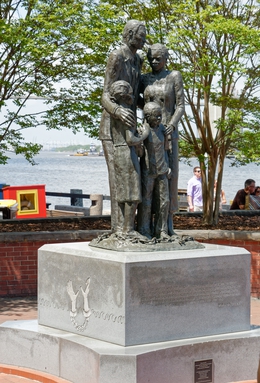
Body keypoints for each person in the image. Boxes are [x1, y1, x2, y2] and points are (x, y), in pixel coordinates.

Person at [99, 19, 146, 233]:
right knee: (117, 179)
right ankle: (119, 230)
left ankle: (128, 229)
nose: (144, 38)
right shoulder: (116, 56)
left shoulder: (137, 60)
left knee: (132, 179)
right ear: (129, 34)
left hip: (130, 125)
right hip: (112, 127)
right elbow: (105, 95)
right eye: (140, 34)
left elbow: (134, 96)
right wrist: (117, 111)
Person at [141, 43, 185, 235]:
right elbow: (136, 100)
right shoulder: (144, 79)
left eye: (159, 58)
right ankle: (145, 227)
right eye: (151, 58)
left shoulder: (174, 76)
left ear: (166, 57)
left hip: (168, 135)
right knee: (148, 181)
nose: (154, 61)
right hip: (149, 135)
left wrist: (172, 124)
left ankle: (166, 227)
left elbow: (181, 106)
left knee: (169, 180)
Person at [108, 80, 149, 236]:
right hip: (127, 152)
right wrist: (144, 133)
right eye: (131, 93)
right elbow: (131, 139)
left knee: (122, 193)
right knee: (132, 194)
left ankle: (121, 228)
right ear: (126, 95)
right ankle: (129, 229)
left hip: (118, 152)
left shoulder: (114, 114)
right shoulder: (127, 113)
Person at [137, 102, 170, 240]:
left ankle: (161, 231)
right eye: (156, 116)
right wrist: (139, 140)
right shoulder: (143, 129)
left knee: (164, 201)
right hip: (148, 171)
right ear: (147, 116)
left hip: (162, 170)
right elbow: (139, 153)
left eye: (160, 116)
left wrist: (169, 167)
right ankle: (144, 229)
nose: (159, 118)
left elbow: (166, 149)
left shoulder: (162, 128)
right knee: (146, 202)